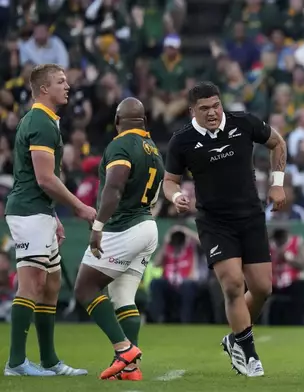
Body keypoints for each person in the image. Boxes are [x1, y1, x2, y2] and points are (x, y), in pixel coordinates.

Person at [162, 81, 287, 377]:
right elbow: (169, 181)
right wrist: (176, 196)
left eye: (216, 106)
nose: (212, 113)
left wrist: (277, 184)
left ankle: (235, 337)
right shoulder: (182, 141)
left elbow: (278, 143)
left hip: (251, 217)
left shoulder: (243, 123)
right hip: (214, 221)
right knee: (232, 284)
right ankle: (249, 353)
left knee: (262, 288)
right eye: (204, 108)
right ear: (192, 110)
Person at [4, 63, 96, 377]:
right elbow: (44, 178)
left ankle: (49, 360)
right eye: (60, 82)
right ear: (44, 89)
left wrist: (53, 214)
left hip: (39, 211)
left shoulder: (45, 121)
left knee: (52, 283)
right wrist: (79, 207)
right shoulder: (41, 122)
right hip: (28, 211)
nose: (67, 86)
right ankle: (16, 362)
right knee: (33, 284)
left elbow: (38, 178)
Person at [73, 97, 164, 381]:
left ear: (117, 122)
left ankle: (123, 349)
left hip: (124, 226)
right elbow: (156, 196)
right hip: (147, 226)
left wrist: (98, 225)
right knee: (123, 297)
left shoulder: (120, 144)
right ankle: (131, 369)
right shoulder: (155, 151)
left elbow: (113, 186)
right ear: (144, 122)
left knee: (85, 288)